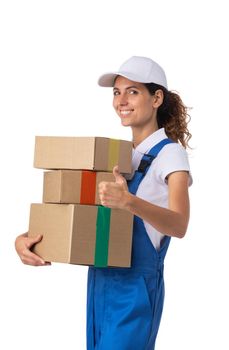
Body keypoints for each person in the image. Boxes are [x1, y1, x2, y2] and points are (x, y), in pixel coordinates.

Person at [15, 56, 192, 350]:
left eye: (133, 91)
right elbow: (81, 213)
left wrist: (129, 201)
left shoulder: (170, 154)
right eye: (116, 92)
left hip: (136, 288)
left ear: (157, 97)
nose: (121, 100)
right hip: (100, 281)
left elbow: (179, 223)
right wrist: (29, 239)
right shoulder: (119, 156)